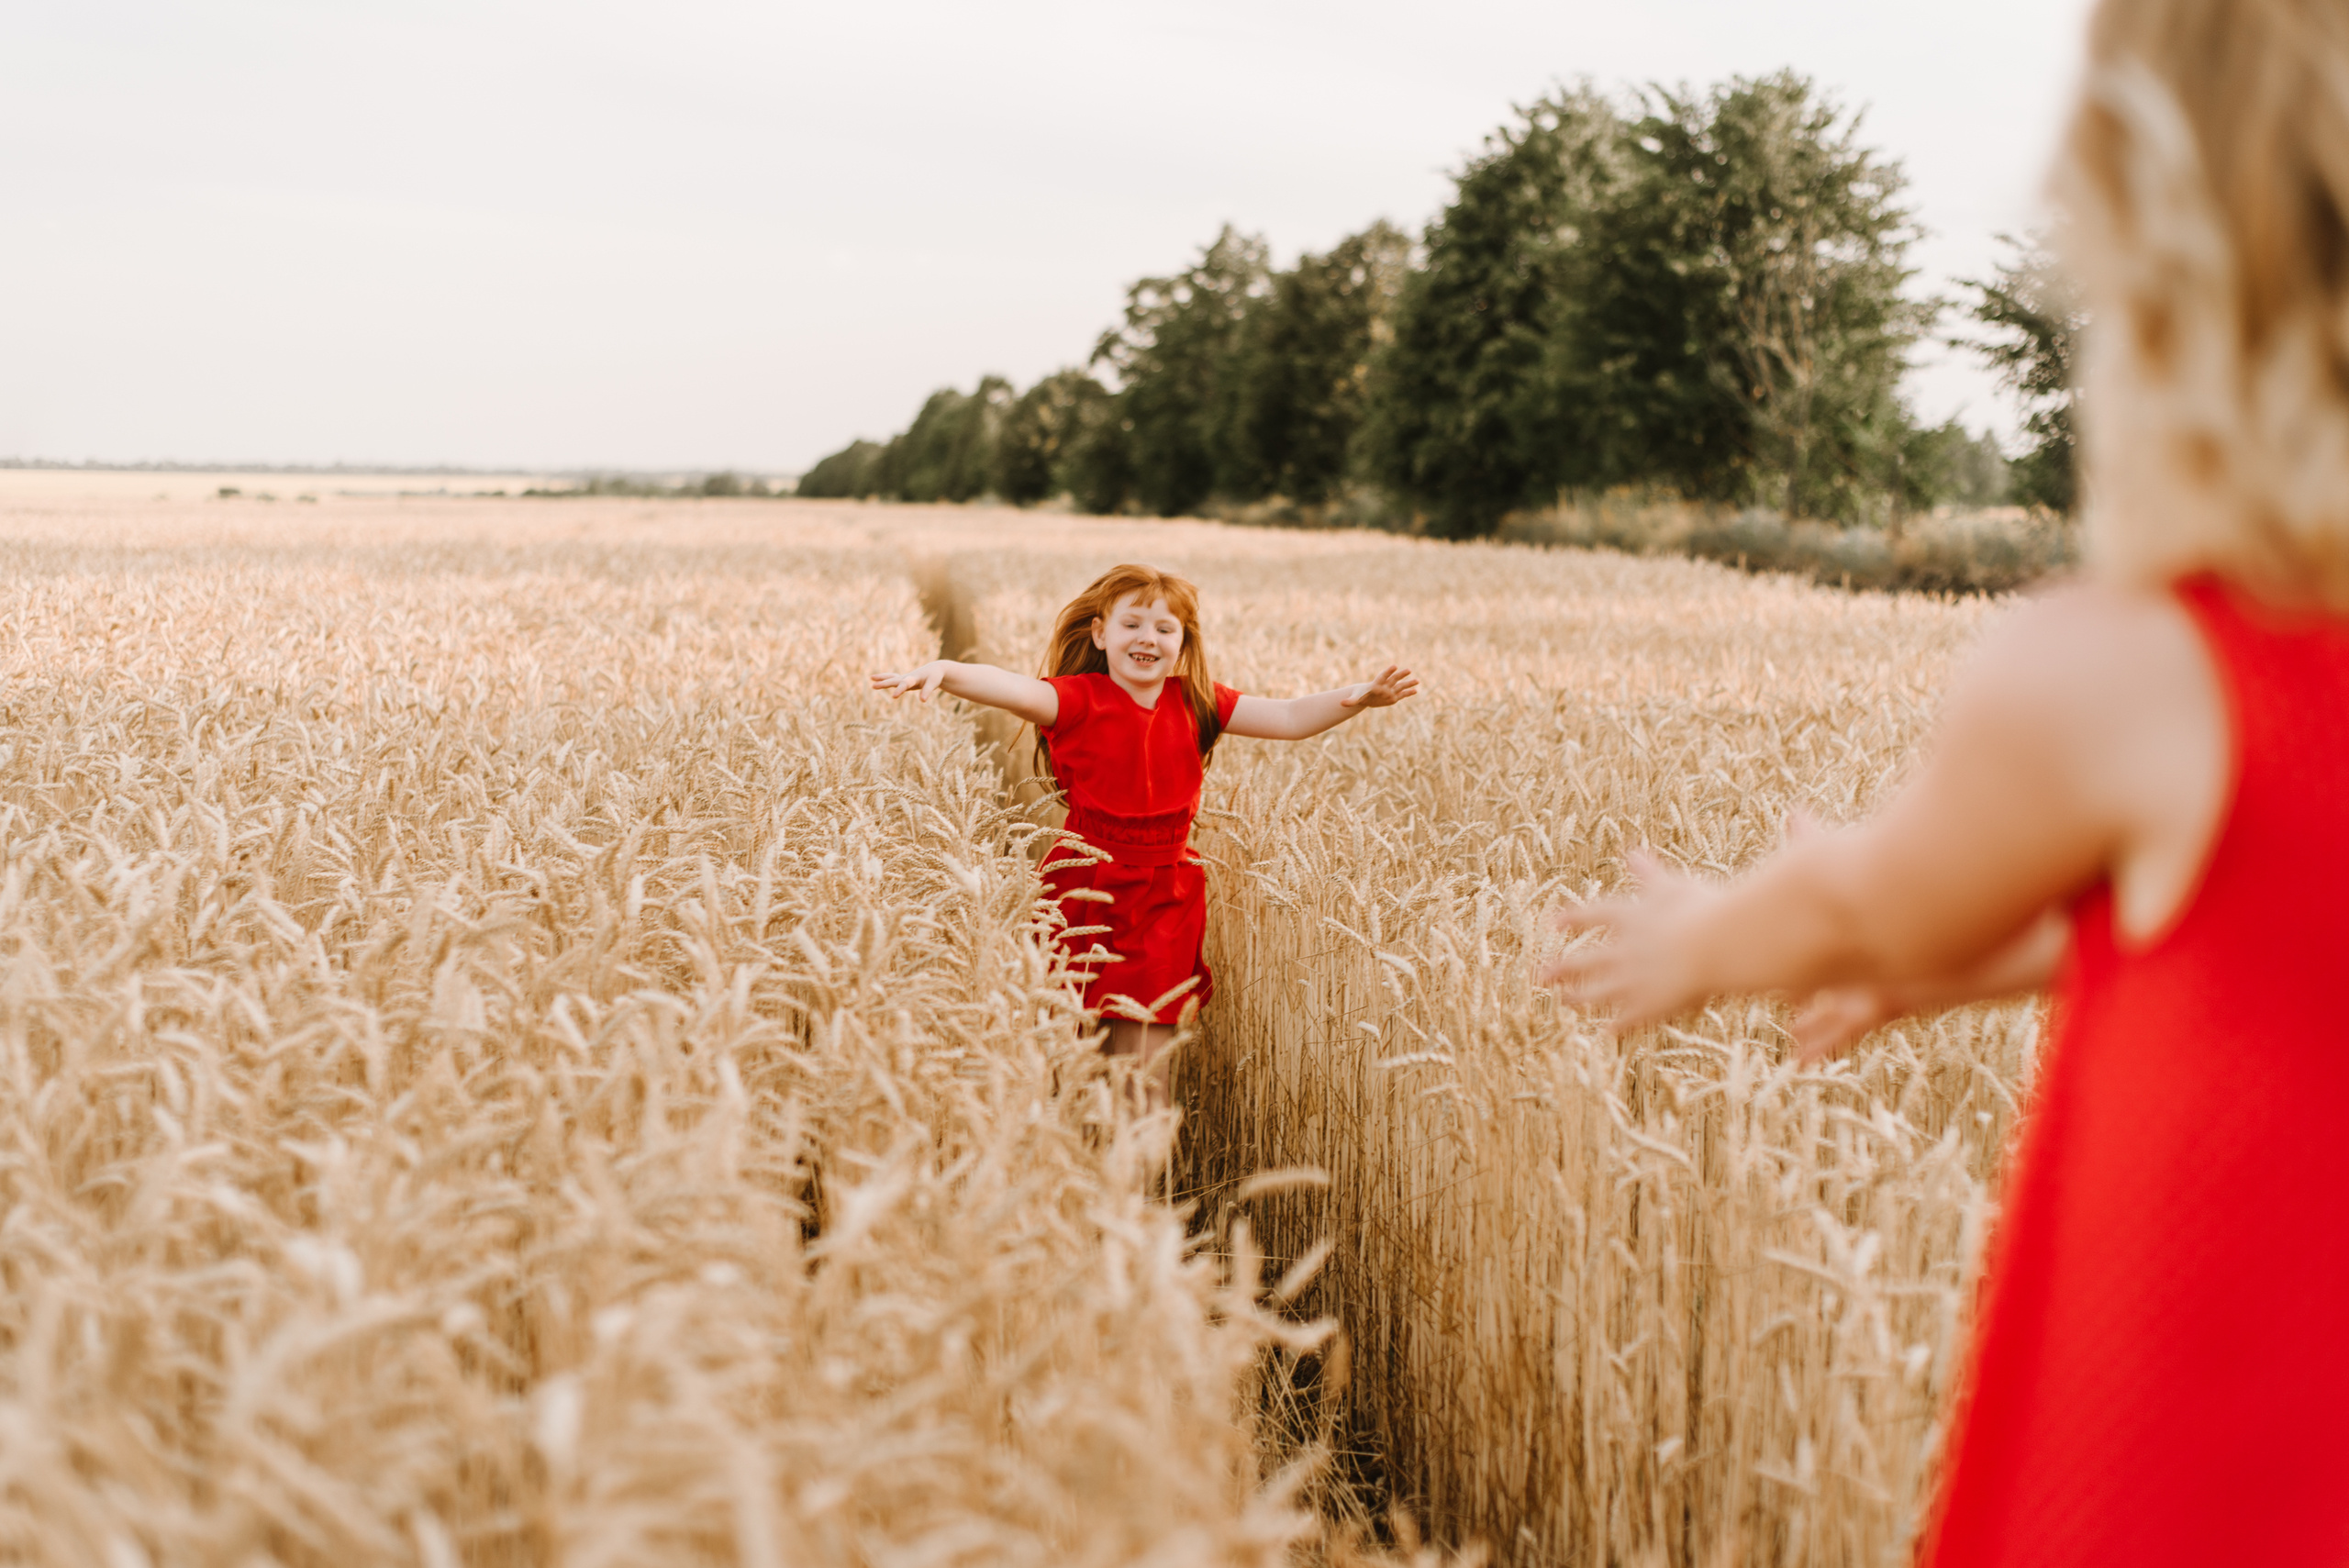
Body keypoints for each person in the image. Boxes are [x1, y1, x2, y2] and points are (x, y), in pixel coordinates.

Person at [1542, 0, 2349, 1560]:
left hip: (2208, 1470)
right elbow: (2282, 949)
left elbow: (1869, 893)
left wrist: (1714, 936)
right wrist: (1981, 971)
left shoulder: (2129, 675)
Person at [874, 562, 1418, 1097]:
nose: (1147, 638)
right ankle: (1072, 1168)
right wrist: (945, 668)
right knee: (1065, 1059)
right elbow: (1010, 687)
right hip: (1082, 888)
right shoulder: (1076, 699)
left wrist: (1358, 698)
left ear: (1182, 643)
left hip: (1165, 898)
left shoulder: (1198, 701)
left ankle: (1133, 1176)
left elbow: (1291, 718)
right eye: (1132, 623)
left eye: (1164, 628)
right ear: (1100, 633)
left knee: (1142, 1076)